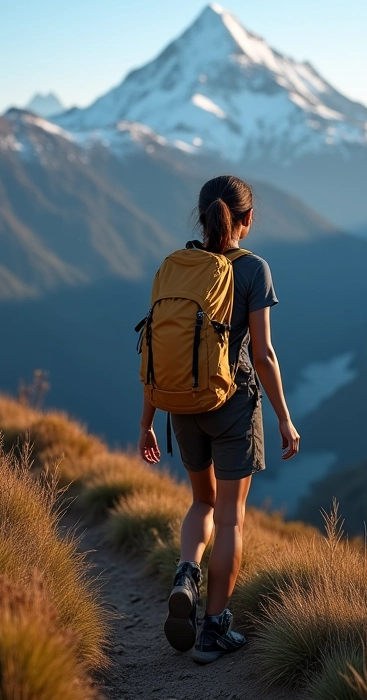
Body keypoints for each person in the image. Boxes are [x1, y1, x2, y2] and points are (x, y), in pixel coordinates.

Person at [138, 175, 300, 664]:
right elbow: (265, 353)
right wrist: (284, 420)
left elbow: (154, 349)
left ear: (202, 214)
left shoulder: (176, 267)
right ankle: (213, 631)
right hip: (232, 405)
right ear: (245, 220)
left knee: (201, 503)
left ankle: (187, 572)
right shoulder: (254, 269)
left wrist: (147, 420)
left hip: (180, 406)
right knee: (231, 516)